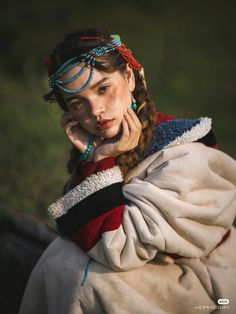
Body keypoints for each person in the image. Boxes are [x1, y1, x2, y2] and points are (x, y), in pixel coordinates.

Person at [19, 28, 236, 314]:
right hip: (148, 266)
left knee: (78, 278)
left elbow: (120, 249)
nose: (95, 110)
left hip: (202, 275)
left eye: (103, 88)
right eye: (78, 103)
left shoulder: (185, 153)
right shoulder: (105, 148)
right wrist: (100, 158)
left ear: (130, 78)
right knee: (57, 259)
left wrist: (101, 160)